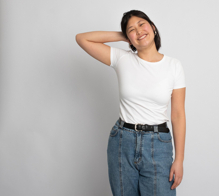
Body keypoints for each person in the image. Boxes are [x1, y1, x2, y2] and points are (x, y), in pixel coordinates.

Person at [76, 9, 186, 196]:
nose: (138, 30)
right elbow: (82, 38)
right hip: (122, 142)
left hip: (158, 145)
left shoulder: (173, 66)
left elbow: (177, 114)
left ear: (153, 27)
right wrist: (124, 35)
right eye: (131, 29)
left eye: (142, 24)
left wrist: (179, 160)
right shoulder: (122, 59)